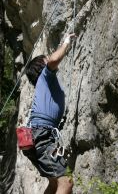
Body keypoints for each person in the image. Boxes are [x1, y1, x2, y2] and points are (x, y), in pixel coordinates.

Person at [23, 33, 76, 194]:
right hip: (42, 134)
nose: (50, 59)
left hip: (35, 136)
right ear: (42, 66)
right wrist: (66, 42)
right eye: (46, 58)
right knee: (66, 182)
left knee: (54, 183)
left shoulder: (45, 83)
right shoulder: (45, 76)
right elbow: (53, 60)